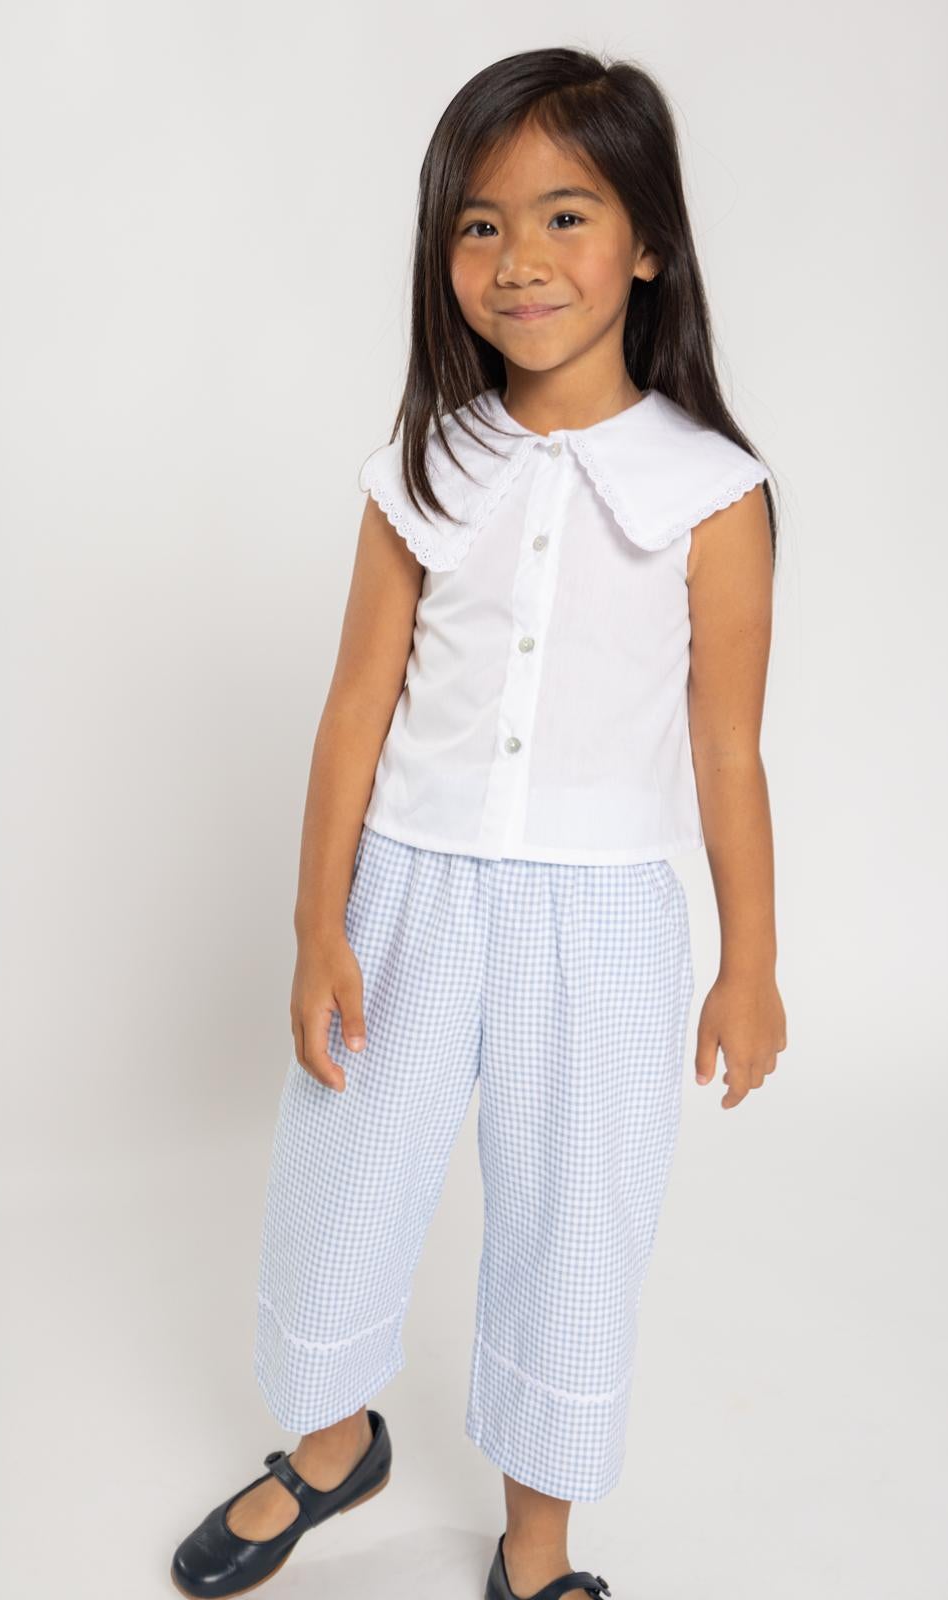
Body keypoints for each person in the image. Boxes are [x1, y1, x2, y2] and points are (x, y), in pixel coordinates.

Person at [171, 44, 787, 1600]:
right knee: (342, 1179)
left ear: (647, 242)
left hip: (604, 922)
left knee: (577, 1234)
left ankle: (537, 1545)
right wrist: (318, 926)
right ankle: (330, 1448)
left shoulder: (713, 494)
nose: (519, 259)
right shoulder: (424, 468)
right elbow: (354, 709)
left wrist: (751, 963)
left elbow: (728, 750)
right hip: (408, 894)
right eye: (480, 223)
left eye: (566, 216)